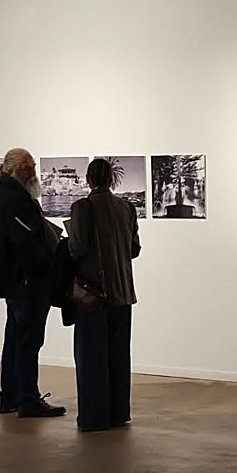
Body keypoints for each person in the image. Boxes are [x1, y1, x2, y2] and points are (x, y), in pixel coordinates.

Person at [0, 148, 66, 418]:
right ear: (15, 169)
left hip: (18, 283)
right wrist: (52, 260)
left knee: (16, 341)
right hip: (27, 284)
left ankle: (11, 397)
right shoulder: (14, 199)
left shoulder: (7, 196)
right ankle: (27, 399)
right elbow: (27, 243)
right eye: (29, 167)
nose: (34, 171)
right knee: (28, 343)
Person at [68, 159, 141, 432]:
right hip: (123, 294)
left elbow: (77, 248)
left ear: (88, 179)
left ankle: (94, 417)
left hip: (93, 295)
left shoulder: (82, 207)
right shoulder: (127, 208)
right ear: (111, 179)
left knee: (91, 359)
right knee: (119, 357)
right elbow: (134, 249)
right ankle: (118, 413)